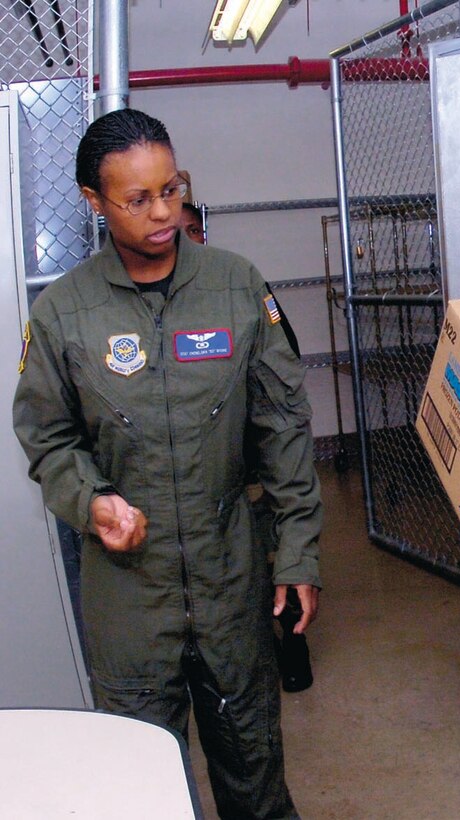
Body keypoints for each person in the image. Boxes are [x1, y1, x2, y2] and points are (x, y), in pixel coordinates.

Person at [13, 108, 322, 820]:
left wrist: (298, 554)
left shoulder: (237, 286)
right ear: (94, 202)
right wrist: (90, 500)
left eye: (172, 189)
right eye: (138, 199)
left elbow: (284, 429)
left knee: (256, 780)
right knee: (138, 789)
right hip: (129, 601)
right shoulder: (65, 313)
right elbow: (48, 437)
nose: (164, 213)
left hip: (230, 583)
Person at [179, 200, 313, 693]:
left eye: (194, 230)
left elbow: (284, 362)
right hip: (205, 474)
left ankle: (292, 642)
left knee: (279, 552)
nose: (186, 241)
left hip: (254, 460)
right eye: (178, 232)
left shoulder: (239, 288)